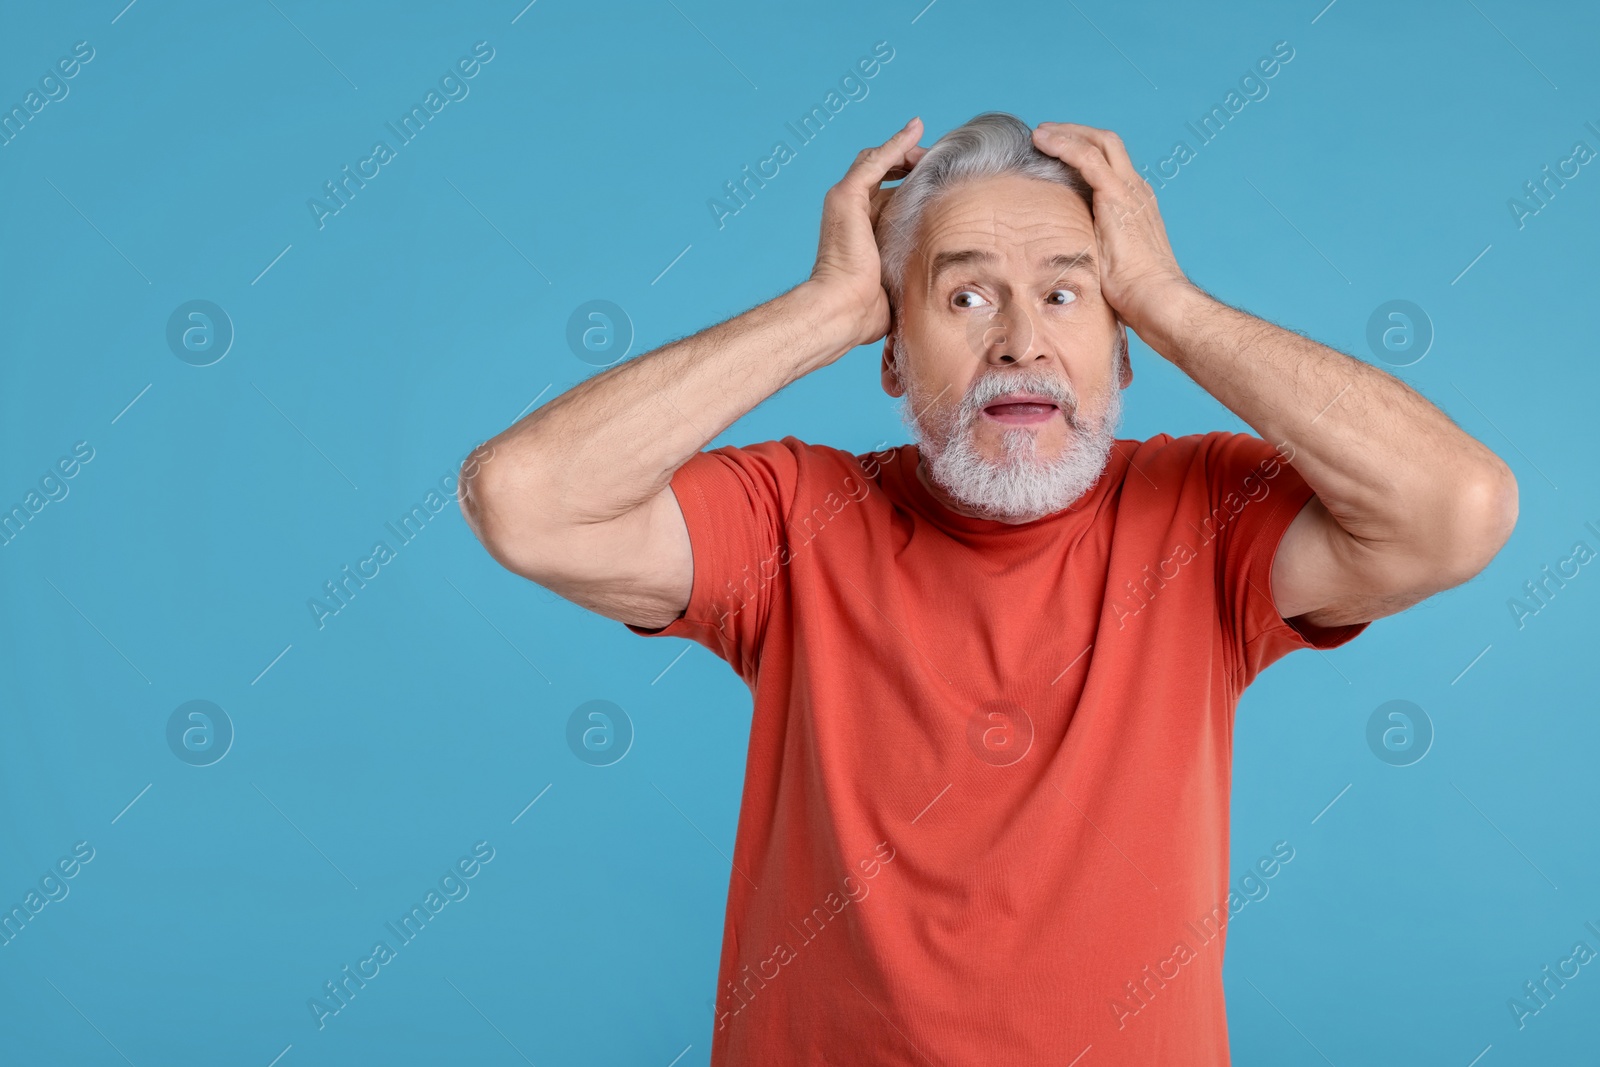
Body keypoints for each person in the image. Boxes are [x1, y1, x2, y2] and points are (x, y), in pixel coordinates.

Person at [458, 111, 1518, 1065]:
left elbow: (1456, 506)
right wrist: (820, 310)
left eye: (1067, 294)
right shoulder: (790, 514)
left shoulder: (1203, 514)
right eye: (963, 296)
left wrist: (1168, 300)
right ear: (888, 352)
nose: (1020, 342)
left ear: (1123, 355)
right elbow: (525, 497)